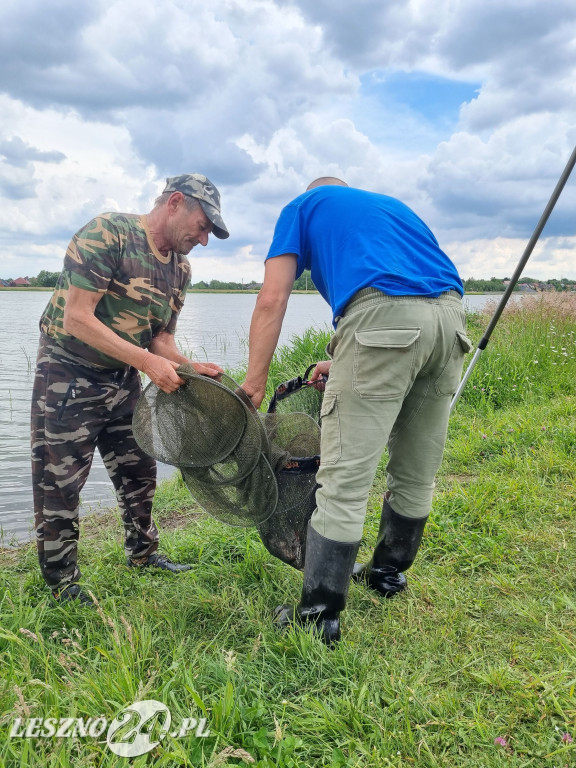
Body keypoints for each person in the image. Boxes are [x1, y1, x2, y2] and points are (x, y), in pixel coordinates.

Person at [242, 177, 470, 644]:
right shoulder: (390, 205)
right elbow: (413, 298)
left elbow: (273, 297)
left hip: (384, 320)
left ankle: (318, 616)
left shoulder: (304, 206)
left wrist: (254, 382)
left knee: (343, 477)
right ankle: (388, 575)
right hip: (451, 323)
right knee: (415, 468)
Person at [31, 174, 229, 605]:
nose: (204, 238)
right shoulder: (109, 234)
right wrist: (146, 362)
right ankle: (61, 582)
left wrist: (189, 367)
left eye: (211, 231)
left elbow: (160, 339)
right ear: (176, 202)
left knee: (139, 470)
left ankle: (143, 554)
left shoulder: (180, 268)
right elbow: (77, 319)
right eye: (202, 225)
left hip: (123, 379)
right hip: (68, 371)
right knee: (60, 481)